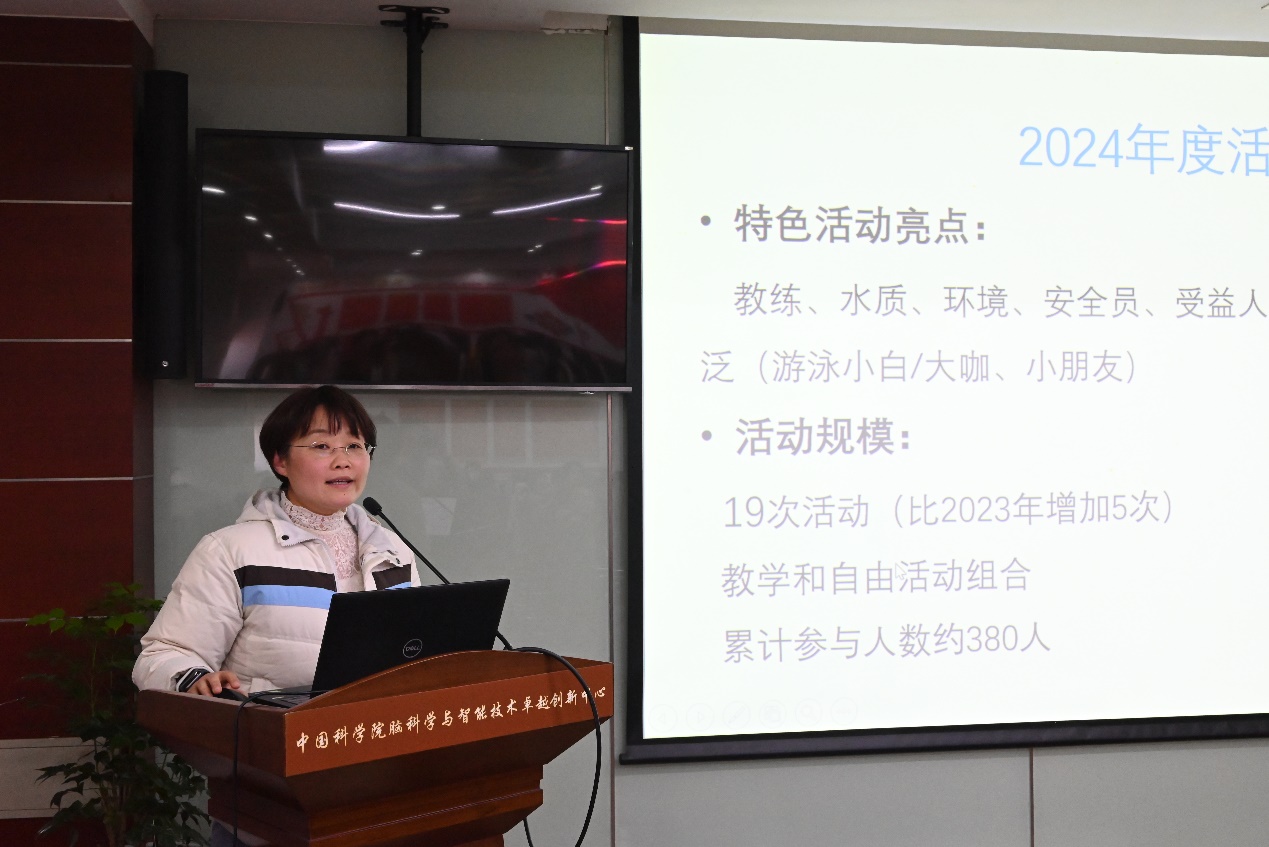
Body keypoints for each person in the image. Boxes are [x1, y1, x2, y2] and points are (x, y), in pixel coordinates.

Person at [132, 384, 418, 699]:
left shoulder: (391, 550)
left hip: (375, 725)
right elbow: (163, 655)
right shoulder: (230, 552)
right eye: (322, 446)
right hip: (273, 724)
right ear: (280, 461)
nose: (343, 461)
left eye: (354, 445)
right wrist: (194, 680)